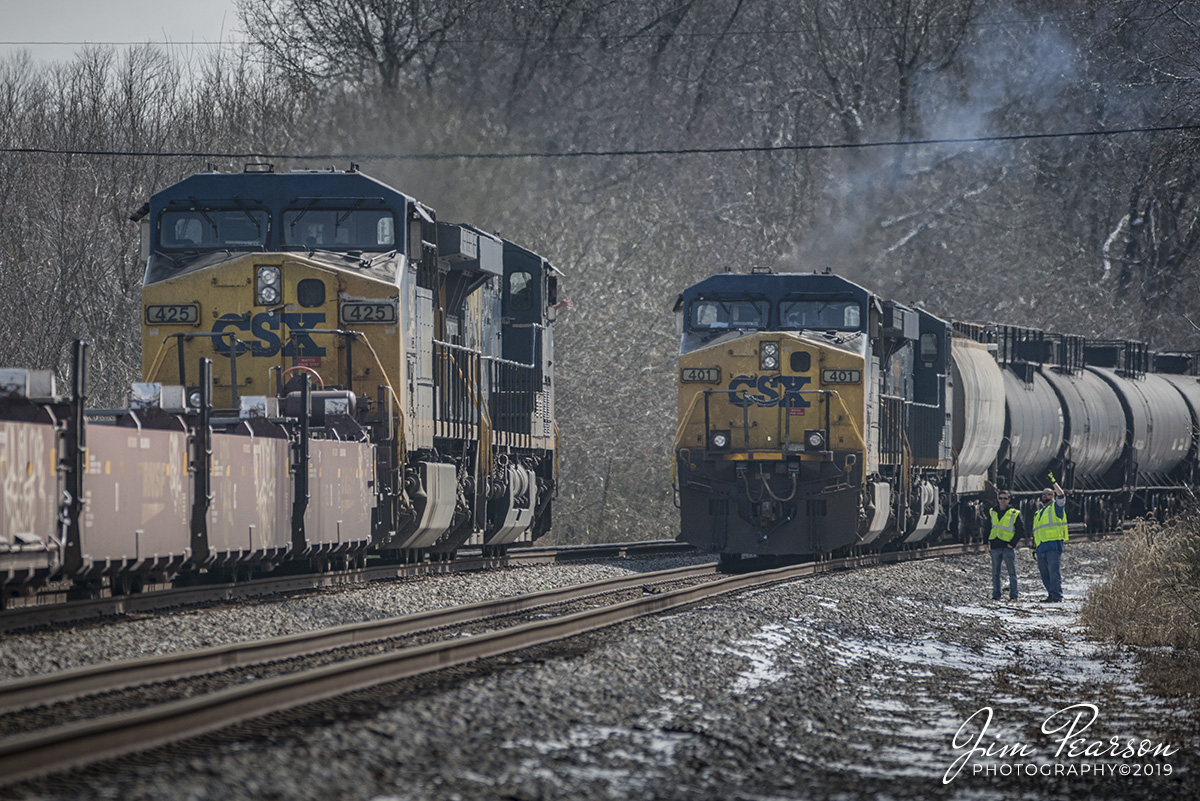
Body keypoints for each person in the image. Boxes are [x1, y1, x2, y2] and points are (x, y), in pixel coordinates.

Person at [1032, 476, 1068, 602]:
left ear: (1053, 495)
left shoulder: (1056, 508)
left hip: (1053, 545)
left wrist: (1054, 482)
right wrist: (1034, 547)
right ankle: (1051, 594)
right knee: (1044, 574)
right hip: (1041, 547)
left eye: (1048, 494)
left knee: (1054, 573)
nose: (1045, 496)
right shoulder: (1039, 513)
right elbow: (1037, 531)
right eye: (1043, 494)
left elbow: (1062, 496)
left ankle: (1057, 595)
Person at [986, 490, 1026, 600]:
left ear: (1009, 499)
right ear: (998, 499)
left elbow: (1020, 530)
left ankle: (1013, 595)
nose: (1002, 500)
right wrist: (985, 542)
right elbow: (987, 527)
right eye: (1000, 498)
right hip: (995, 546)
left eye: (1005, 498)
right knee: (995, 574)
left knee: (1011, 573)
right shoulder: (992, 512)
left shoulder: (1014, 513)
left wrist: (1012, 544)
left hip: (1007, 548)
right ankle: (996, 595)